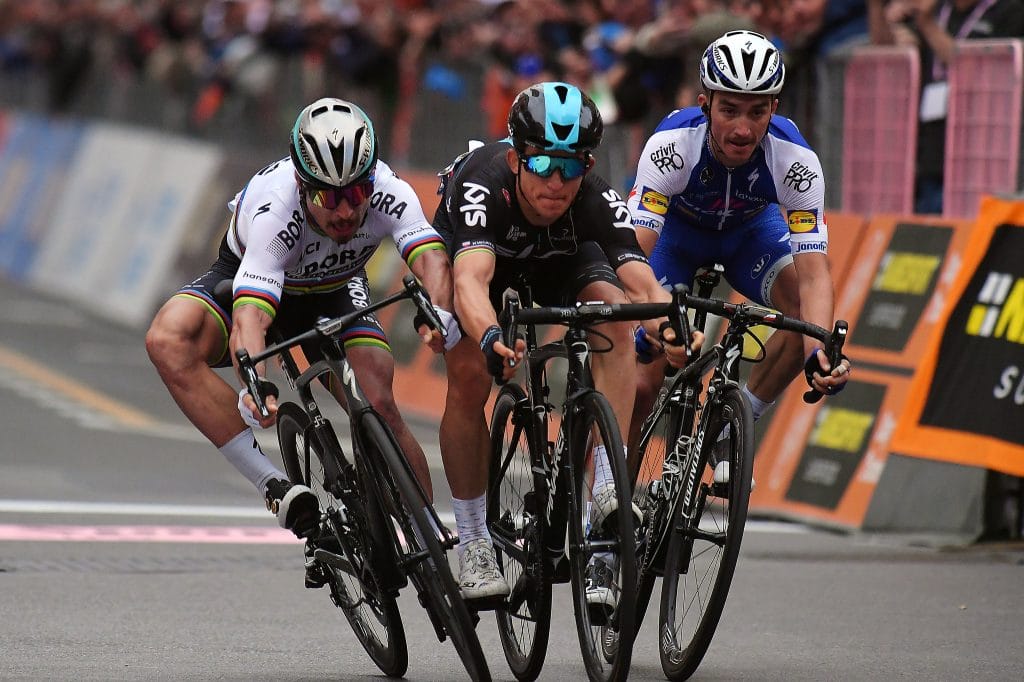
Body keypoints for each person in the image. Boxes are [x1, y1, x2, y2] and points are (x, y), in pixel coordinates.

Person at [145, 98, 458, 552]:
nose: (346, 211)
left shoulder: (391, 190)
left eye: (355, 193)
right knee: (167, 338)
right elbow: (251, 316)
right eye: (329, 198)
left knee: (379, 403)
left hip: (334, 288)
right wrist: (255, 382)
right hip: (251, 282)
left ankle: (428, 534)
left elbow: (430, 259)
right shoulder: (275, 211)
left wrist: (441, 312)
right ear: (301, 182)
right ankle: (273, 485)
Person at [432, 82, 696, 611]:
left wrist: (670, 323)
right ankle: (474, 540)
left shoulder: (593, 196)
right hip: (480, 260)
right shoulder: (484, 187)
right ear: (515, 158)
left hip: (559, 257)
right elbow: (469, 283)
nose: (557, 182)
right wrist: (486, 334)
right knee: (467, 377)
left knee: (616, 318)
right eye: (543, 166)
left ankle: (605, 481)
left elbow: (641, 280)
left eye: (571, 168)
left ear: (587, 165)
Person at [626, 30, 852, 477]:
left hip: (750, 235)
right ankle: (609, 516)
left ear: (775, 109)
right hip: (677, 236)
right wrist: (643, 324)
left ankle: (736, 422)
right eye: (729, 110)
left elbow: (814, 276)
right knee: (641, 381)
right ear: (705, 102)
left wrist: (819, 350)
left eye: (757, 111)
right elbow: (630, 257)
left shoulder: (796, 161)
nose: (743, 129)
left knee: (805, 314)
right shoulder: (671, 146)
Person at [868, 0, 1024, 214]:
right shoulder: (939, 10)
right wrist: (877, 10)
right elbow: (886, 50)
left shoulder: (1009, 10)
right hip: (932, 153)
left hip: (982, 157)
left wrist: (927, 24)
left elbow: (973, 71)